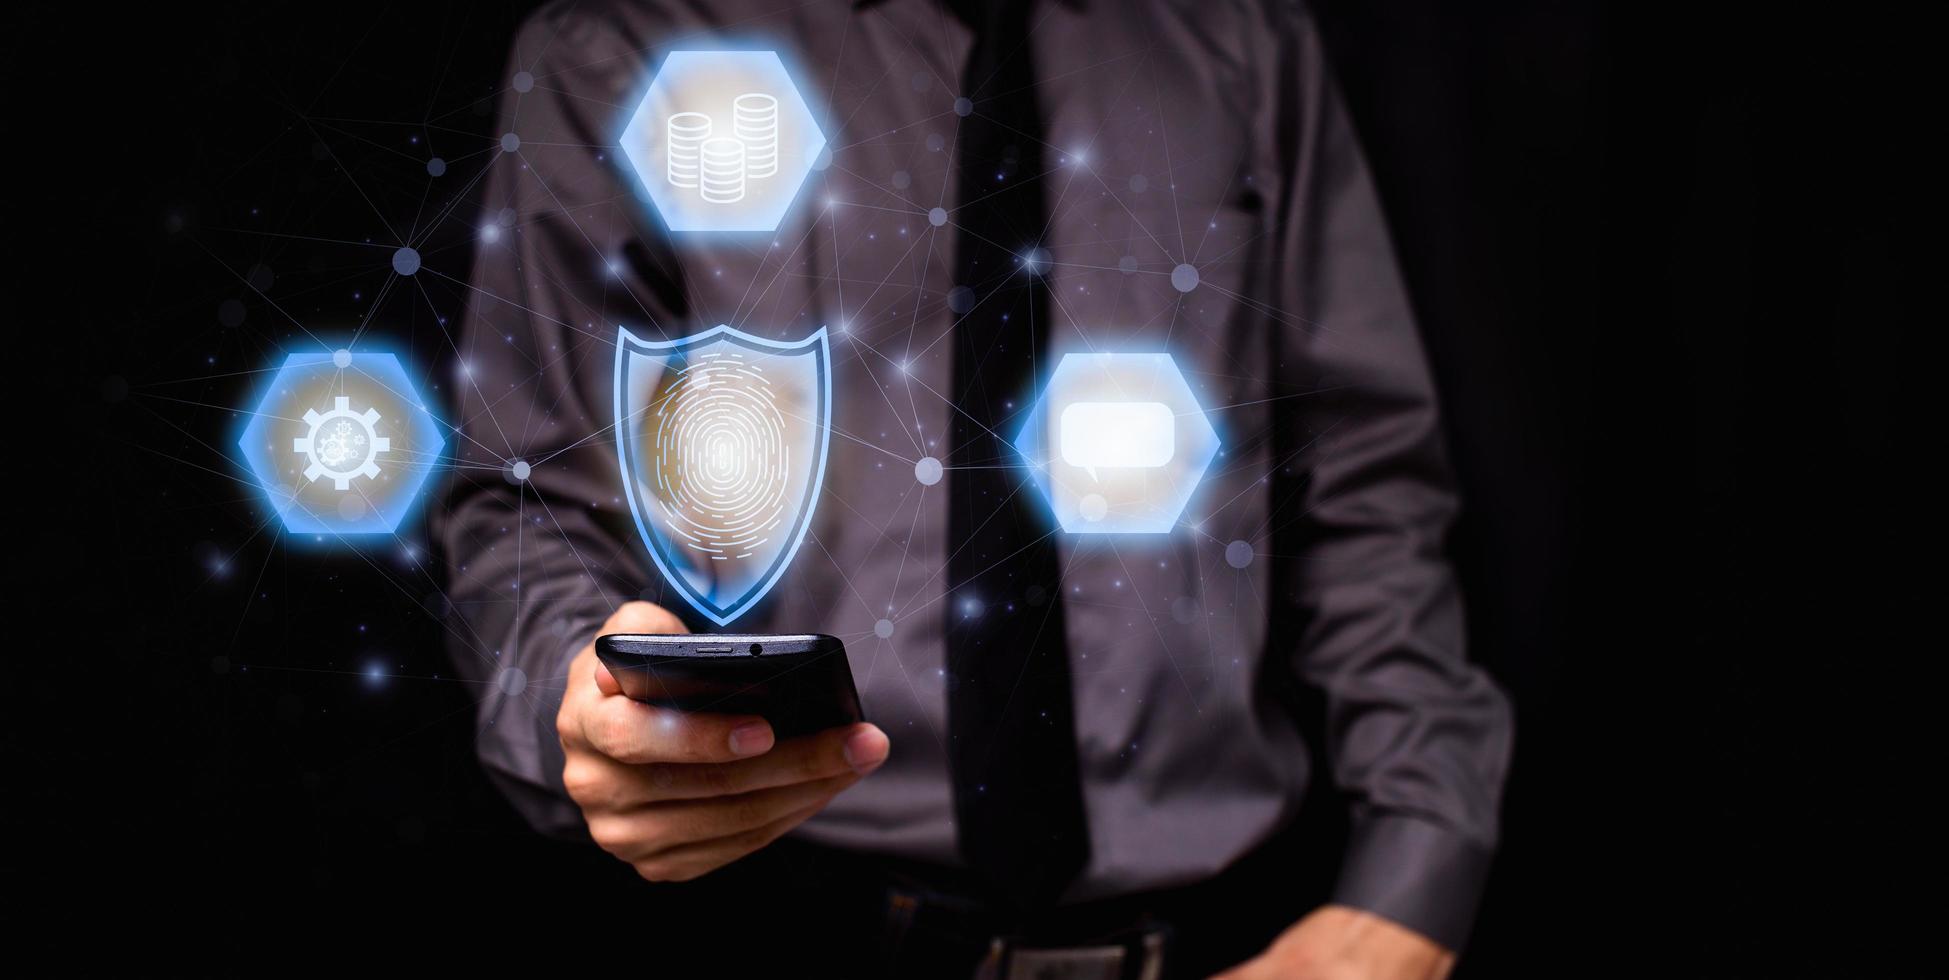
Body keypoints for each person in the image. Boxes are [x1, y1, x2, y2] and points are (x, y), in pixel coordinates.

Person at [438, 1, 1511, 976]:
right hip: (783, 918)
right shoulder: (626, 39)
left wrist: (1410, 882)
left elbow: (1363, 482)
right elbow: (529, 504)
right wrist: (580, 706)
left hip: (1230, 937)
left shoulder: (1239, 35)